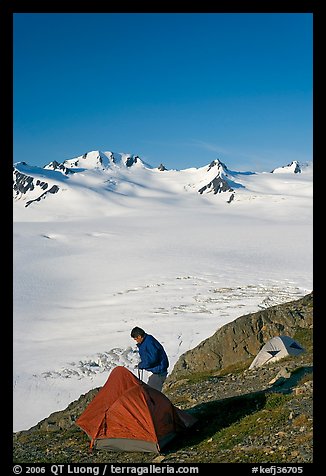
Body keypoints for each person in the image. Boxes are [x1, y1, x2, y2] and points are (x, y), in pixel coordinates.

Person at [131, 326, 169, 392]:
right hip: (156, 370)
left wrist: (142, 365)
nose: (136, 341)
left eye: (136, 339)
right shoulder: (147, 340)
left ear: (139, 336)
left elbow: (152, 359)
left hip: (158, 372)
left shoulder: (149, 342)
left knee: (152, 393)